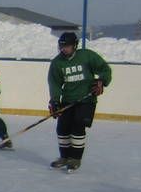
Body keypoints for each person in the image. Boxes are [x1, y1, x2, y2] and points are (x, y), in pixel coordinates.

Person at [46, 30, 112, 171]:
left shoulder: (86, 56)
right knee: (62, 128)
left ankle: (75, 159)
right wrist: (55, 101)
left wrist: (101, 81)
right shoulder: (57, 63)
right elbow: (55, 83)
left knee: (78, 126)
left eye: (67, 46)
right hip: (68, 99)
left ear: (75, 45)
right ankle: (64, 157)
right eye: (61, 46)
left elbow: (105, 69)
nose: (64, 49)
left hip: (86, 99)